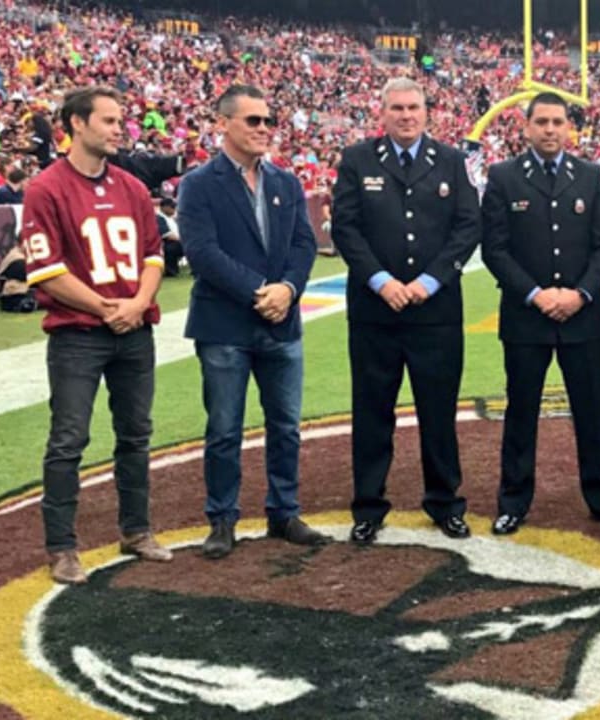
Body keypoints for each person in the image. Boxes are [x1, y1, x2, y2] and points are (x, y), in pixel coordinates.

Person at [21, 86, 173, 584]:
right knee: (68, 439)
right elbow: (46, 271)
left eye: (119, 120)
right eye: (108, 120)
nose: (118, 129)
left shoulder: (130, 186)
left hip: (133, 328)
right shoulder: (46, 188)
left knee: (136, 434)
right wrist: (106, 307)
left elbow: (154, 256)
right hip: (78, 333)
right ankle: (62, 547)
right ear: (77, 125)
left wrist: (136, 304)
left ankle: (137, 529)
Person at [330, 77, 480, 543]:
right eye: (396, 107)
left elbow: (467, 226)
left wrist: (429, 281)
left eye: (413, 107)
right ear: (383, 113)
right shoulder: (358, 160)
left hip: (434, 312)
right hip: (377, 312)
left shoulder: (452, 161)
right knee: (372, 410)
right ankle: (369, 506)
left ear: (427, 111)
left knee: (438, 412)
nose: (406, 115)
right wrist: (382, 282)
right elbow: (346, 229)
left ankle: (444, 502)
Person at [178, 84, 324, 559]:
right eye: (252, 121)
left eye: (267, 121)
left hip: (282, 321)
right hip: (225, 325)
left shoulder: (285, 182)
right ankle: (222, 518)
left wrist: (288, 289)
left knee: (286, 426)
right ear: (223, 124)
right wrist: (261, 291)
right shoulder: (198, 184)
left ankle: (284, 511)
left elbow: (305, 244)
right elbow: (202, 253)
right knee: (224, 428)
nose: (264, 129)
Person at [481, 92, 600, 535]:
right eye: (542, 121)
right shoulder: (504, 176)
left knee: (591, 411)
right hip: (526, 317)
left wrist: (580, 294)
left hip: (583, 317)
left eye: (558, 122)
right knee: (521, 412)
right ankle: (513, 502)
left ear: (570, 127)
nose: (550, 129)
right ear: (526, 127)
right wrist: (535, 294)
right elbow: (495, 248)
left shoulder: (589, 176)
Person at [155, 197, 183, 276]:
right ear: (165, 207)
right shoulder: (158, 218)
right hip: (166, 243)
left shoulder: (169, 218)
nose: (174, 209)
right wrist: (184, 241)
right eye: (172, 207)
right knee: (172, 248)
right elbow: (167, 235)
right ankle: (170, 270)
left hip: (176, 242)